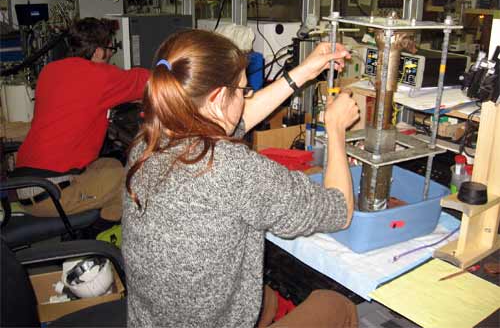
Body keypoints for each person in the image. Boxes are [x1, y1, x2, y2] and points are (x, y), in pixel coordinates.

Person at [123, 29, 359, 327]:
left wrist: (304, 72)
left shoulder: (150, 142)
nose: (246, 97)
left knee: (266, 298)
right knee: (335, 305)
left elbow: (238, 118)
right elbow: (338, 210)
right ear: (217, 98)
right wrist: (336, 129)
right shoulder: (231, 168)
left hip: (153, 320)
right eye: (243, 90)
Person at [13, 17, 150, 227]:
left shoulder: (50, 71)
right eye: (110, 48)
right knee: (131, 180)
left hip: (25, 183)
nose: (111, 53)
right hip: (51, 193)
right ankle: (102, 240)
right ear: (97, 51)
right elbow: (149, 81)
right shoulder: (99, 76)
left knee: (111, 163)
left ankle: (95, 230)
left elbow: (79, 99)